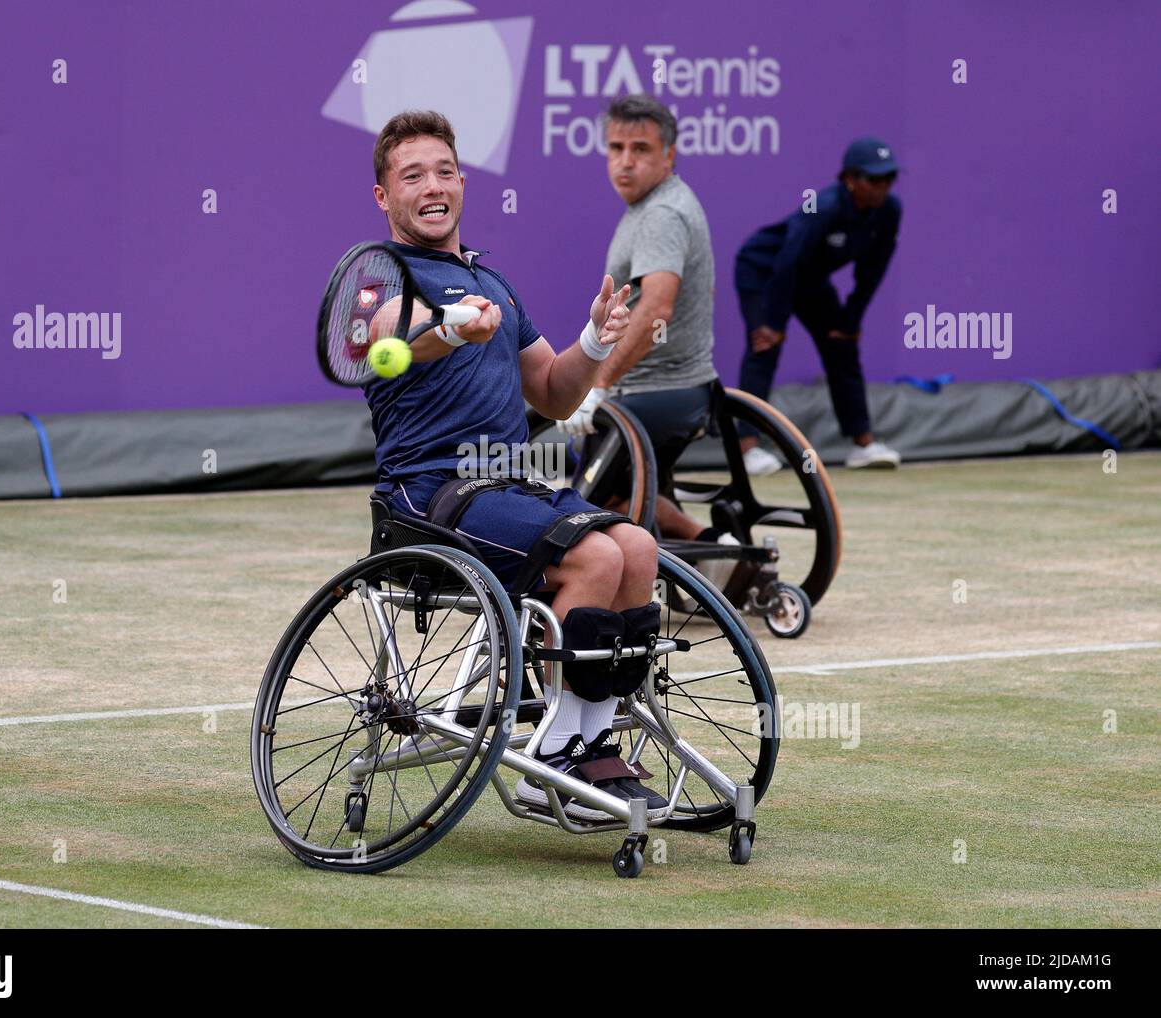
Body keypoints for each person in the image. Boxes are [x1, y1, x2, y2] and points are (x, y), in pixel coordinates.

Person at [364, 110, 667, 820]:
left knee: (636, 547)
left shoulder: (494, 284)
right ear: (384, 196)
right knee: (594, 560)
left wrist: (595, 338)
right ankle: (550, 764)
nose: (432, 186)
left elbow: (556, 393)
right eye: (412, 176)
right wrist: (445, 328)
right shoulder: (379, 276)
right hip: (428, 494)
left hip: (508, 484)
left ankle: (587, 746)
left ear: (464, 184)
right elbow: (387, 345)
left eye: (444, 172)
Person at [558, 94, 740, 557]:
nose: (625, 161)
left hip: (657, 396)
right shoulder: (655, 206)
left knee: (575, 512)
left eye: (640, 149)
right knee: (617, 495)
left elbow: (657, 308)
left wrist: (598, 384)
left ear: (668, 156)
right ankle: (717, 551)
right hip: (676, 392)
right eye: (616, 148)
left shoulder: (661, 214)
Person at [734, 137, 904, 472]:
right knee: (764, 347)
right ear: (850, 180)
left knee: (842, 346)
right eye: (873, 179)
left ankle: (863, 445)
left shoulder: (890, 211)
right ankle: (747, 447)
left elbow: (873, 270)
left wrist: (850, 320)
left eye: (888, 179)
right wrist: (773, 322)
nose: (882, 187)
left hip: (809, 280)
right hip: (764, 271)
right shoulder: (823, 207)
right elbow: (787, 262)